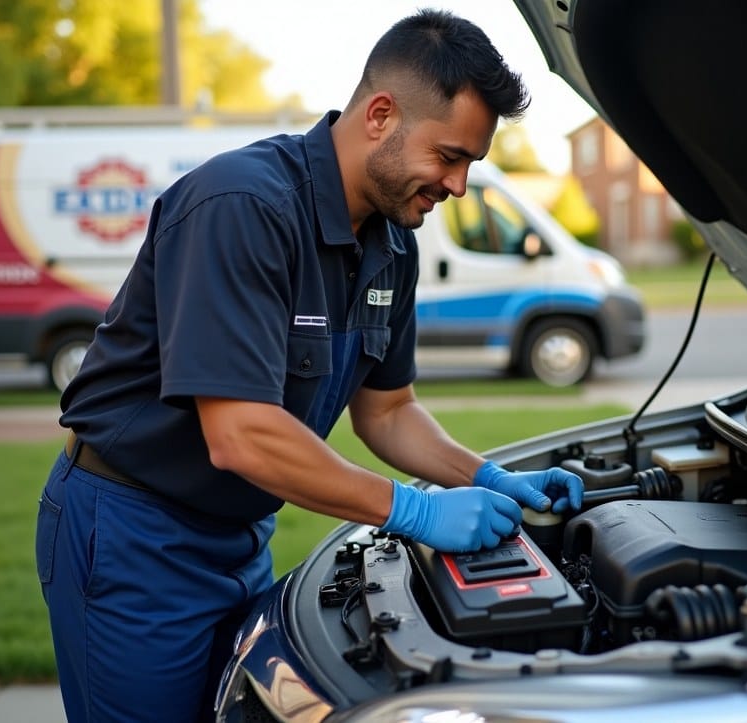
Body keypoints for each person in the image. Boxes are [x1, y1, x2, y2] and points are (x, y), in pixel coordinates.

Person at [34, 9, 584, 722]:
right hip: (134, 535)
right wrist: (412, 510)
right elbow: (240, 433)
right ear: (381, 114)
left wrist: (485, 476)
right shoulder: (242, 206)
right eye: (449, 156)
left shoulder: (395, 244)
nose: (457, 184)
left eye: (470, 164)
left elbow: (387, 410)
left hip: (239, 534)